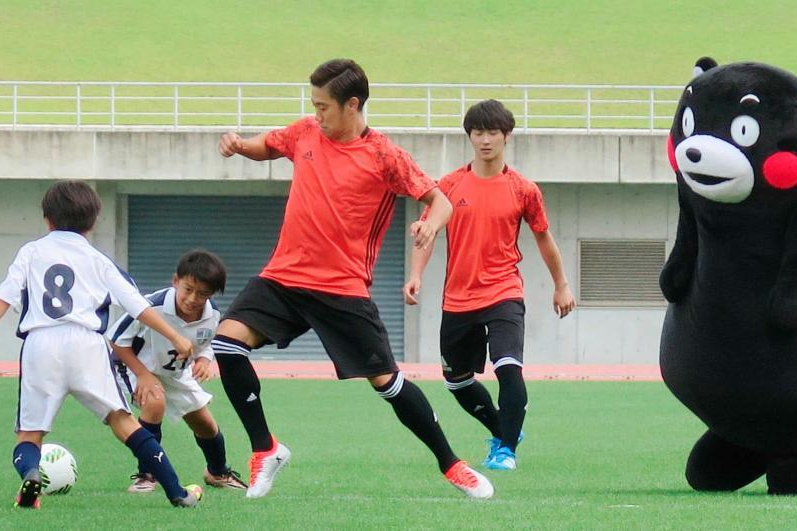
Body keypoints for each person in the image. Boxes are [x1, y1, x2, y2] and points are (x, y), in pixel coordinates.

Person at [214, 58, 493, 499]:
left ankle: (452, 464)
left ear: (353, 105)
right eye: (314, 105)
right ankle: (265, 448)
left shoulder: (384, 155)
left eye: (324, 106)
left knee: (388, 383)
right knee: (226, 344)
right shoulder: (306, 131)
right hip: (283, 277)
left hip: (341, 289)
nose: (317, 113)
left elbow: (441, 202)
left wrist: (429, 225)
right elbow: (269, 144)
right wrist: (238, 145)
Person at [0, 181, 203, 509]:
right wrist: (176, 336)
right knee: (124, 423)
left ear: (47, 219)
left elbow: (6, 292)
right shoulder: (98, 260)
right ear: (93, 223)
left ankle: (31, 473)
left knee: (29, 435)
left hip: (40, 343)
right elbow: (136, 304)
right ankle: (178, 492)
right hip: (87, 344)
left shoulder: (32, 251)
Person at [404, 99, 576, 470]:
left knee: (508, 367)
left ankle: (506, 452)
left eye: (492, 133)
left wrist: (561, 284)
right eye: (478, 132)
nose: (485, 140)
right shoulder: (448, 186)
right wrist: (416, 274)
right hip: (458, 298)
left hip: (504, 292)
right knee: (457, 382)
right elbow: (426, 233)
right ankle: (504, 428)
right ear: (469, 136)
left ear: (506, 136)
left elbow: (544, 238)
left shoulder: (523, 189)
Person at [108, 250, 246, 493]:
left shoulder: (212, 314)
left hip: (174, 373)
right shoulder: (151, 306)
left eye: (202, 294)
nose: (193, 299)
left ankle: (217, 472)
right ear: (175, 281)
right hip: (133, 367)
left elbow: (206, 344)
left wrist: (203, 360)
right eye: (188, 289)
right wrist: (143, 375)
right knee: (155, 401)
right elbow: (116, 340)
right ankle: (147, 474)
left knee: (205, 423)